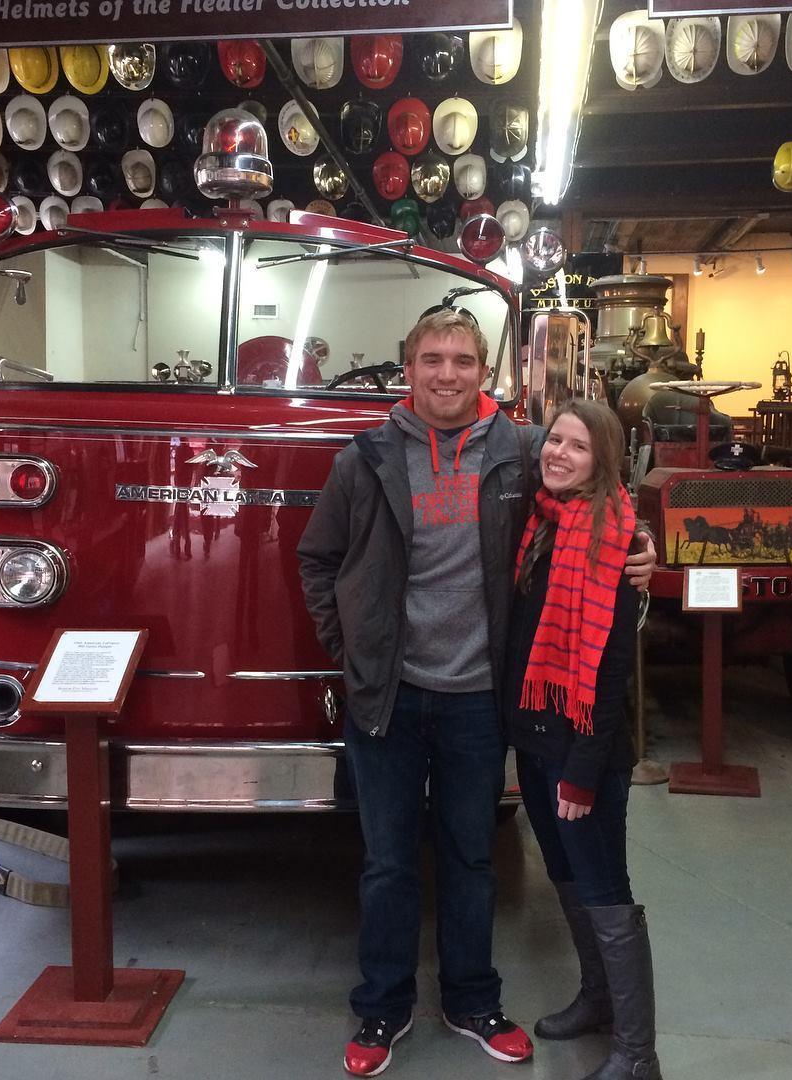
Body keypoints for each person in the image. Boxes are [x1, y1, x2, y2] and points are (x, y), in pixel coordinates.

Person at [298, 310, 655, 1077]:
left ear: (484, 370)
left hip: (478, 701)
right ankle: (382, 1008)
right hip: (389, 697)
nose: (448, 374)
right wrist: (352, 650)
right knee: (389, 863)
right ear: (408, 367)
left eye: (463, 359)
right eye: (432, 358)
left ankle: (472, 1000)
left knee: (470, 858)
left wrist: (640, 549)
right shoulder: (364, 459)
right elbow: (317, 560)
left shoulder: (521, 450)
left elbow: (592, 493)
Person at [504, 398, 661, 1080]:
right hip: (537, 739)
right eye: (554, 441)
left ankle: (637, 1052)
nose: (559, 453)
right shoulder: (540, 523)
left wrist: (586, 768)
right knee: (567, 877)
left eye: (578, 446)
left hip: (582, 748)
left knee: (604, 887)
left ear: (604, 460)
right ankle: (597, 1000)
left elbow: (612, 668)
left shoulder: (617, 542)